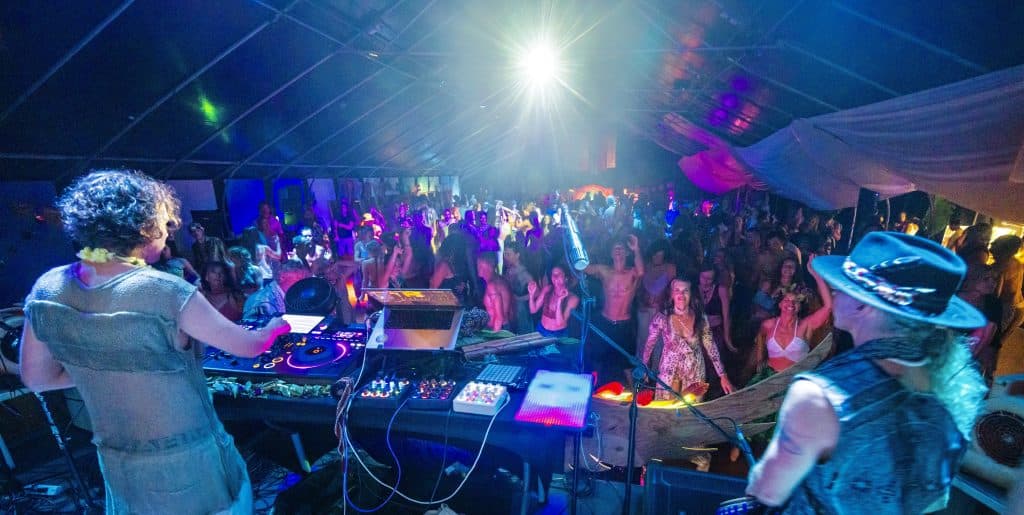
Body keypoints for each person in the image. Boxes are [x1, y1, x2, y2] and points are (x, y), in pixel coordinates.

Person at [19, 170, 290, 514]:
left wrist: (104, 369)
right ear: (145, 227)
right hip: (190, 465)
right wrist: (276, 327)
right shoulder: (164, 291)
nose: (166, 235)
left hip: (121, 469)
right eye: (164, 225)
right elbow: (248, 347)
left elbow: (37, 378)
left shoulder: (47, 289)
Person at [746, 232, 988, 512]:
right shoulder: (952, 392)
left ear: (862, 304)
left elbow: (769, 489)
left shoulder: (820, 395)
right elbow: (933, 503)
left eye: (842, 286)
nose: (835, 292)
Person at [639, 278, 734, 400]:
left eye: (685, 291)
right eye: (677, 290)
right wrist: (644, 367)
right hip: (669, 372)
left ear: (691, 294)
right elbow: (649, 345)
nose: (681, 294)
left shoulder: (700, 317)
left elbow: (711, 347)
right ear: (672, 294)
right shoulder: (662, 318)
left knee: (692, 413)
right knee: (668, 412)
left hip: (695, 372)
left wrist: (723, 375)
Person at [751, 254, 832, 375]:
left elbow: (828, 306)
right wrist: (759, 362)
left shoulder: (805, 326)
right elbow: (760, 337)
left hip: (795, 380)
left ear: (799, 307)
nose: (791, 304)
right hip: (769, 380)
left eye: (795, 301)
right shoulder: (768, 324)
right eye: (787, 300)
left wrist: (816, 274)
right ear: (780, 304)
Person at [582, 234, 644, 385]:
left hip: (624, 325)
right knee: (597, 361)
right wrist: (586, 248)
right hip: (605, 322)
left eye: (621, 248)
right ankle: (593, 391)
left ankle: (633, 397)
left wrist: (636, 249)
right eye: (615, 248)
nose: (618, 251)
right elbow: (583, 268)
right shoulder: (604, 270)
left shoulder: (632, 273)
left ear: (626, 253)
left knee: (627, 365)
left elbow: (641, 271)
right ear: (610, 253)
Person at [242, 259, 311, 319]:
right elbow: (254, 330)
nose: (302, 284)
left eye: (303, 279)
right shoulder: (262, 302)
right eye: (298, 278)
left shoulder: (290, 297)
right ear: (282, 277)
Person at [527, 263, 579, 338]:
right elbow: (533, 310)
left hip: (557, 334)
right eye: (553, 274)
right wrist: (531, 295)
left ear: (566, 278)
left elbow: (560, 323)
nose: (555, 277)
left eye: (558, 274)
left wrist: (559, 301)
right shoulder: (547, 289)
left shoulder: (572, 298)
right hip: (541, 329)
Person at [477, 252, 513, 331]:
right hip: (505, 326)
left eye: (481, 264)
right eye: (478, 264)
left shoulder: (492, 286)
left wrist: (494, 337)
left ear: (490, 265)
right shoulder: (501, 280)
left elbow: (499, 318)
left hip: (498, 328)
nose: (478, 267)